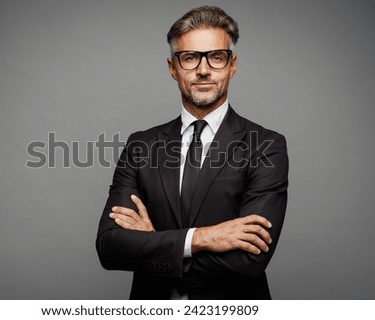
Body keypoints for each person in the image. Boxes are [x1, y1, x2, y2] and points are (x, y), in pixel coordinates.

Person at [96, 6, 288, 299]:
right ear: (173, 68)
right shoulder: (141, 146)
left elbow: (249, 259)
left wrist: (153, 245)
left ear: (232, 65)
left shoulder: (266, 145)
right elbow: (110, 247)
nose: (203, 69)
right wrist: (204, 238)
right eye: (189, 58)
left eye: (216, 57)